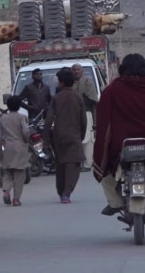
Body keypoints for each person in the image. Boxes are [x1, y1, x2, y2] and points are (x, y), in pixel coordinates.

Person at [93, 53, 145, 215]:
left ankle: (114, 202)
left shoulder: (112, 89)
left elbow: (103, 120)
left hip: (121, 148)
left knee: (102, 166)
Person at [45, 68, 87, 204]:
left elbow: (49, 119)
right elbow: (83, 119)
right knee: (73, 165)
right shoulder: (77, 97)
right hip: (74, 135)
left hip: (59, 136)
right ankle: (67, 193)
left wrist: (46, 137)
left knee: (61, 164)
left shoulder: (56, 98)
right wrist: (81, 135)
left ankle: (60, 190)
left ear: (62, 83)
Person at [0, 96, 31, 207]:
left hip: (7, 147)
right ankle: (16, 199)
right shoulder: (22, 117)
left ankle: (6, 191)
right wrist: (27, 140)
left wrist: (0, 149)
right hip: (20, 147)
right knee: (19, 174)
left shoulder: (3, 119)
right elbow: (26, 131)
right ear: (19, 106)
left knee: (8, 173)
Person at [72, 63, 99, 172]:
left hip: (87, 113)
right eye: (74, 69)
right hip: (73, 115)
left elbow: (93, 101)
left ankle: (87, 164)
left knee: (87, 140)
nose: (76, 71)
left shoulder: (88, 82)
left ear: (82, 71)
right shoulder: (70, 84)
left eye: (78, 69)